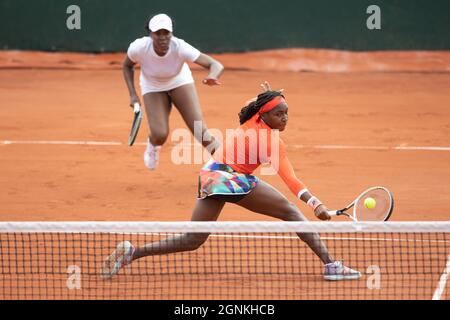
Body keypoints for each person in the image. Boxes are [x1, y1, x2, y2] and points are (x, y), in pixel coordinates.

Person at [102, 82, 361, 281]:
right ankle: (331, 265)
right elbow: (290, 179)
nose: (285, 118)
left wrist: (270, 94)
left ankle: (133, 253)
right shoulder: (271, 142)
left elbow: (256, 103)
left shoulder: (252, 119)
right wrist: (316, 205)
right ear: (265, 116)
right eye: (279, 114)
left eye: (287, 113)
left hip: (211, 175)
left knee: (193, 239)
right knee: (291, 212)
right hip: (232, 179)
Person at [123, 13, 224, 170]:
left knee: (201, 132)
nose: (163, 37)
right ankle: (153, 145)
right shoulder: (139, 48)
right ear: (150, 34)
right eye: (158, 33)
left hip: (180, 82)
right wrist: (133, 95)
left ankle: (231, 166)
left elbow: (215, 64)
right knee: (159, 134)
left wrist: (212, 76)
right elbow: (127, 66)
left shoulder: (180, 47)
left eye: (166, 33)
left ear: (171, 33)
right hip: (153, 87)